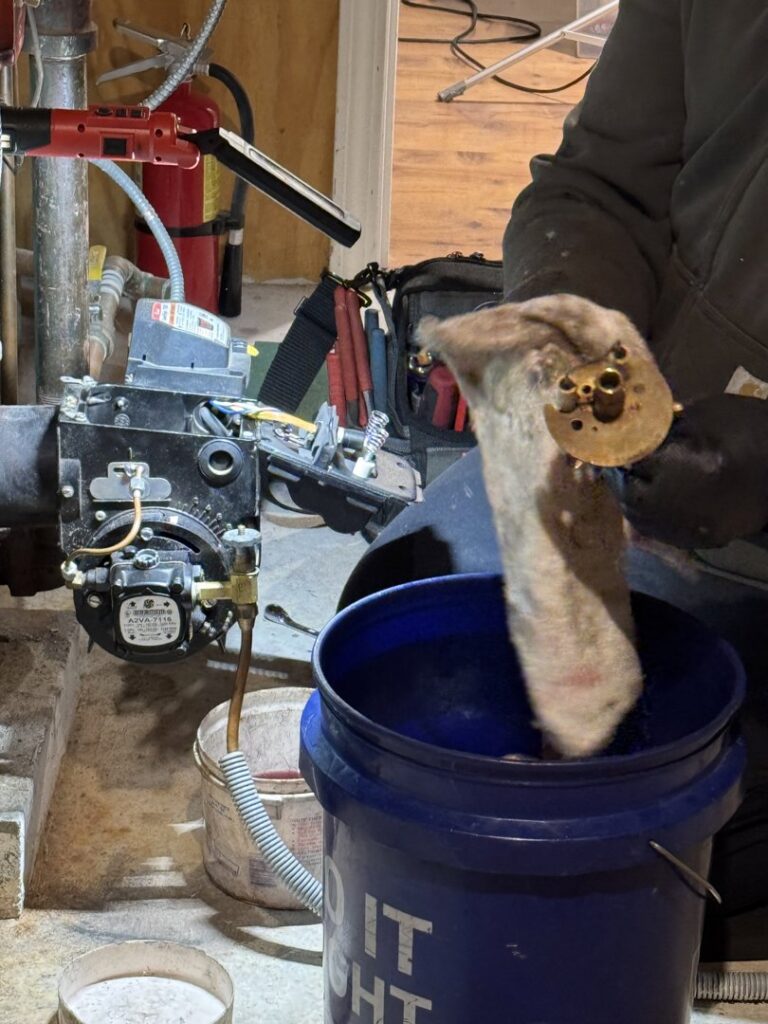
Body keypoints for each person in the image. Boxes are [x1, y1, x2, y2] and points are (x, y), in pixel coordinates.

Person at [342, 0, 768, 960]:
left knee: (669, 810)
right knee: (404, 605)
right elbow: (599, 188)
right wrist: (579, 342)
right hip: (667, 462)